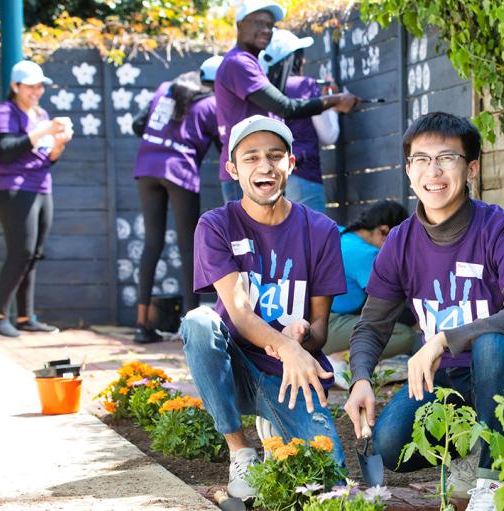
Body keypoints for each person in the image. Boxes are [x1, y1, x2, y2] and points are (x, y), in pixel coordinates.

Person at [343, 112, 504, 511]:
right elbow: (372, 325)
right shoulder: (399, 242)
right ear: (408, 171)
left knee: (492, 344)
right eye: (421, 159)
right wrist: (360, 379)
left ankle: (495, 481)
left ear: (471, 167)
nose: (433, 171)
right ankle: (471, 451)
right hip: (448, 383)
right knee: (389, 444)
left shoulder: (502, 229)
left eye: (446, 158)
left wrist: (443, 338)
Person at [180, 115, 347, 502]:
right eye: (251, 157)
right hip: (233, 364)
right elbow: (237, 312)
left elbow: (322, 326)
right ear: (233, 170)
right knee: (200, 322)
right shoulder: (216, 225)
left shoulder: (320, 230)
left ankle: (276, 425)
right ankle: (240, 452)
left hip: (290, 374)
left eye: (275, 156)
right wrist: (283, 344)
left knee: (330, 486)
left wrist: (301, 335)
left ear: (291, 164)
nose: (264, 166)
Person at [214, 0, 359, 203]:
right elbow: (285, 107)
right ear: (240, 25)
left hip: (259, 171)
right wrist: (336, 100)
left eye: (270, 25)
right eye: (258, 23)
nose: (265, 30)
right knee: (250, 236)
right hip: (247, 174)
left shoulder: (249, 63)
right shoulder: (239, 63)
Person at [129, 57, 222, 343]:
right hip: (179, 172)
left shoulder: (165, 89)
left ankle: (142, 325)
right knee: (189, 249)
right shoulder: (212, 104)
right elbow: (224, 148)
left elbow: (137, 125)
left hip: (147, 169)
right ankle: (190, 331)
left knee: (152, 244)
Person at [0, 60, 73, 337]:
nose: (37, 91)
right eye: (31, 86)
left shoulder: (40, 114)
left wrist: (59, 144)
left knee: (33, 254)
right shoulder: (4, 112)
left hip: (40, 186)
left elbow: (46, 159)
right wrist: (45, 131)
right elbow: (6, 150)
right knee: (20, 252)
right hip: (12, 187)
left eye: (40, 86)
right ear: (15, 86)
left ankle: (25, 317)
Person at [324, 200, 417, 389]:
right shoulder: (366, 254)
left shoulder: (344, 235)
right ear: (384, 231)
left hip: (318, 320)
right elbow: (390, 302)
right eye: (398, 240)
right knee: (404, 335)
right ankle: (335, 360)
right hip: (328, 325)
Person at [259, 29, 340, 212]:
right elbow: (329, 135)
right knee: (310, 238)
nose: (303, 61)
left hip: (268, 178)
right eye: (301, 55)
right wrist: (333, 103)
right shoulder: (305, 86)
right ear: (294, 58)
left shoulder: (261, 91)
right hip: (303, 174)